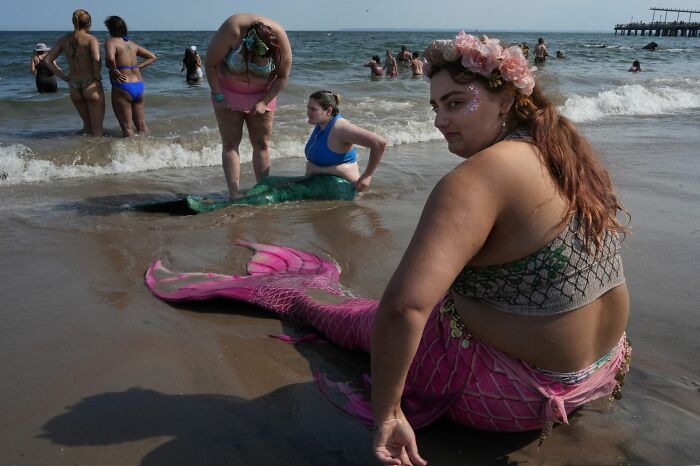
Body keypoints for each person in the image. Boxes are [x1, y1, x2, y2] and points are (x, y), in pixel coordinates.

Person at [146, 32, 631, 466]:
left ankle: (294, 292)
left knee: (354, 316)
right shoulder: (566, 151)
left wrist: (389, 414)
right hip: (601, 370)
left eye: (457, 103)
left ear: (506, 100)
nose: (440, 120)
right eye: (434, 107)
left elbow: (403, 311)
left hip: (514, 396)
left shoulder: (478, 179)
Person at [205, 13, 293, 199]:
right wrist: (219, 97)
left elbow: (283, 75)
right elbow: (210, 64)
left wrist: (264, 101)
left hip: (263, 94)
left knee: (261, 144)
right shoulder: (233, 29)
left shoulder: (278, 36)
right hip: (227, 91)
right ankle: (234, 193)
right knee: (230, 143)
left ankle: (262, 190)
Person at [305, 90, 387, 192]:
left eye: (313, 109)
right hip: (322, 192)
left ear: (329, 111)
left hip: (345, 194)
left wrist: (367, 176)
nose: (308, 112)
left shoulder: (340, 128)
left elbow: (379, 143)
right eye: (308, 108)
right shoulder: (321, 124)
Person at [43, 10, 105, 136]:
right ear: (89, 23)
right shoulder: (91, 39)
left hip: (74, 86)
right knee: (97, 129)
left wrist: (64, 77)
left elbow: (47, 60)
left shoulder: (63, 40)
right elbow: (97, 58)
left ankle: (85, 153)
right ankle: (97, 154)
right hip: (91, 84)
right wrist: (97, 75)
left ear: (73, 23)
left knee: (87, 128)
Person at [104, 16, 157, 137]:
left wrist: (114, 70)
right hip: (138, 84)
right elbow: (152, 57)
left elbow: (111, 58)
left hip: (123, 85)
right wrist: (138, 67)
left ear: (111, 29)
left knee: (127, 128)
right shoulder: (132, 44)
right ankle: (148, 151)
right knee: (142, 126)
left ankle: (131, 155)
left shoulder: (111, 42)